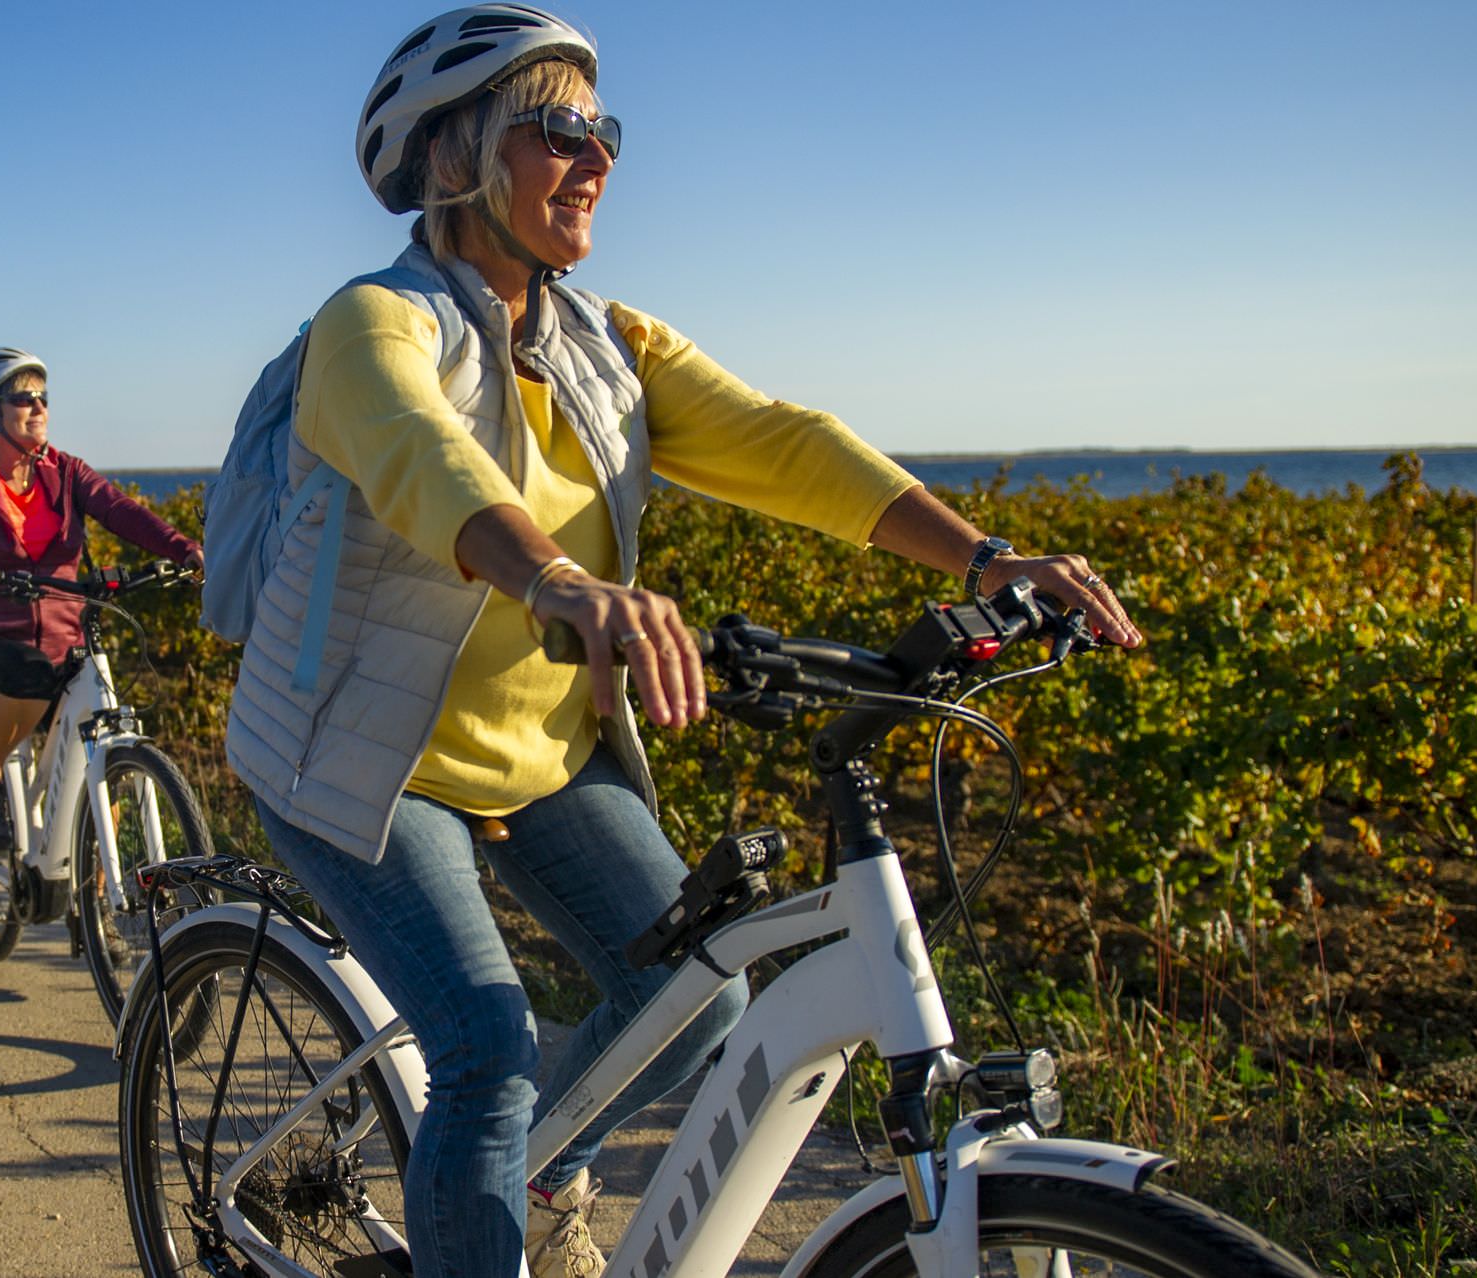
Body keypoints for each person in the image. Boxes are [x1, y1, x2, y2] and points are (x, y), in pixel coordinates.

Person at [224, 7, 1144, 1275]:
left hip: (542, 749)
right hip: (356, 757)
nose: (595, 156)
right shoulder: (373, 324)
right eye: (555, 129)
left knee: (697, 999)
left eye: (605, 131)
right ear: (448, 162)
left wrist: (988, 560)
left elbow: (782, 440)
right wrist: (557, 579)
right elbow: (416, 455)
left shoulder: (606, 346)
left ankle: (520, 1198)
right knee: (488, 1049)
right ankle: (487, 1190)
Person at [0, 348, 203, 851]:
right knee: (28, 671)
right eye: (23, 398)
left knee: (97, 734)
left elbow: (120, 510)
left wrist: (187, 550)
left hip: (62, 641)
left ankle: (98, 904)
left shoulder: (66, 472)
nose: (39, 407)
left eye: (42, 397)